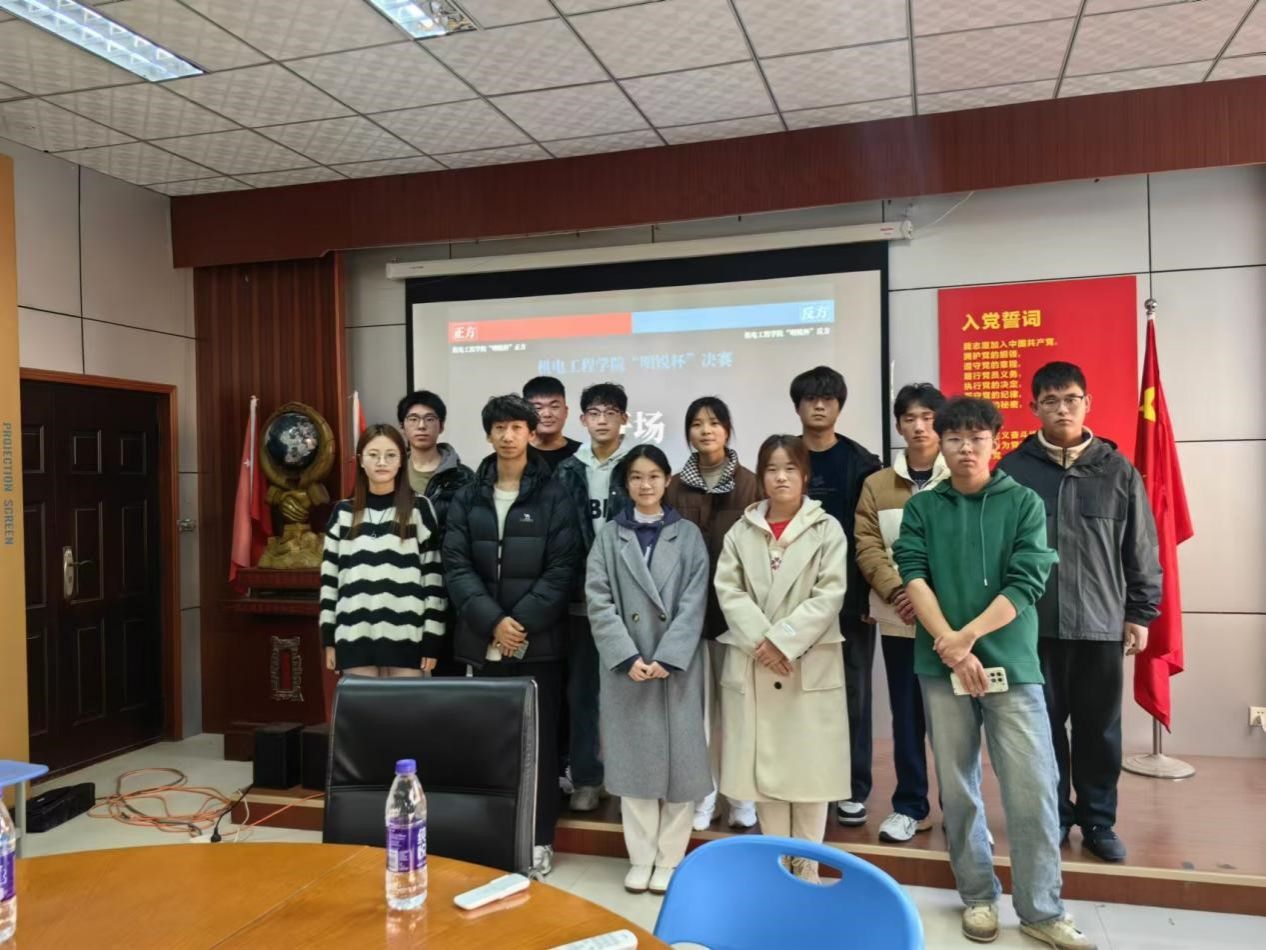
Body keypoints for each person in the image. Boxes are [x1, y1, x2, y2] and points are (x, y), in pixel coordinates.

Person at [894, 396, 1094, 949]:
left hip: (1013, 666)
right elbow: (913, 574)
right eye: (954, 438)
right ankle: (978, 897)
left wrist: (967, 638)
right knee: (958, 789)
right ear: (941, 444)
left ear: (995, 443)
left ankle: (1041, 909)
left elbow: (1027, 580)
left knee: (1033, 788)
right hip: (942, 668)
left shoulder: (1023, 501)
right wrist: (953, 648)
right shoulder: (924, 507)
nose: (965, 448)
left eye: (976, 438)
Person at [998, 362, 1161, 863]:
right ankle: (1053, 817)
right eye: (1050, 401)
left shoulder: (1117, 470)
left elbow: (1140, 547)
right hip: (1033, 626)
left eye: (1071, 399)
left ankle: (1098, 821)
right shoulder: (1013, 470)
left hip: (1100, 624)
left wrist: (1140, 613)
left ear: (1087, 403)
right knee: (1041, 730)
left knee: (1099, 731)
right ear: (1034, 408)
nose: (1062, 409)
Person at [442, 395, 581, 878]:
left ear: (530, 432)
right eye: (499, 427)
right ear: (488, 434)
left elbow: (563, 568)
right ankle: (492, 837)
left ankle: (539, 840)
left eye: (517, 427)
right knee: (488, 744)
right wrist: (492, 622)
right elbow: (455, 565)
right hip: (482, 642)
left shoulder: (555, 494)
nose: (508, 436)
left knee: (538, 748)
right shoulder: (468, 495)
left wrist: (517, 623)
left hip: (538, 644)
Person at [714, 435, 850, 883]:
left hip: (807, 663)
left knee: (811, 772)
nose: (781, 477)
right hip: (756, 660)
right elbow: (728, 591)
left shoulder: (826, 529)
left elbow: (830, 594)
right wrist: (764, 642)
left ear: (805, 474)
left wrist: (783, 641)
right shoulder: (742, 531)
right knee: (766, 773)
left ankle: (807, 868)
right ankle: (778, 870)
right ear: (761, 476)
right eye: (771, 469)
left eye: (790, 468)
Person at [586, 444, 712, 896]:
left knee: (681, 767)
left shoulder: (688, 535)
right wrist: (626, 655)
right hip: (628, 667)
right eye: (637, 477)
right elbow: (598, 599)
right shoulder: (608, 536)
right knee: (634, 766)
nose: (645, 485)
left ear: (667, 480)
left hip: (675, 667)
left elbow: (695, 600)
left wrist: (668, 656)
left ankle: (670, 858)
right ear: (626, 483)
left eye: (654, 476)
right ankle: (640, 857)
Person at [854, 383, 950, 844]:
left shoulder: (961, 476)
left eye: (928, 418)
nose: (919, 427)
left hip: (953, 624)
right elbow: (868, 545)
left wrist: (934, 598)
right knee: (906, 716)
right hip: (900, 620)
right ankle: (911, 806)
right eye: (910, 418)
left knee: (955, 720)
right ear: (898, 426)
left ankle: (961, 809)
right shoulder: (877, 484)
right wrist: (899, 592)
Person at [789, 366, 881, 827]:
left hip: (848, 602)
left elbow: (871, 537)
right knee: (797, 695)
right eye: (810, 398)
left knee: (853, 694)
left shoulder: (863, 463)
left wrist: (867, 599)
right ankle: (807, 779)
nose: (819, 405)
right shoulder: (784, 458)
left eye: (828, 398)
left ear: (840, 406)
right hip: (791, 601)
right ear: (798, 406)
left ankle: (852, 786)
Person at [663, 396, 760, 832]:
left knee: (740, 714)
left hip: (737, 618)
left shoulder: (750, 484)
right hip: (690, 618)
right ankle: (704, 796)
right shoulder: (673, 488)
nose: (706, 430)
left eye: (715, 422)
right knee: (698, 717)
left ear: (727, 429)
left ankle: (741, 798)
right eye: (697, 423)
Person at [556, 382, 634, 811]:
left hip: (630, 602)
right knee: (583, 693)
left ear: (625, 418)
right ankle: (587, 778)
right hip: (580, 600)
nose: (602, 420)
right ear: (583, 419)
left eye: (611, 412)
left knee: (628, 693)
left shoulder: (639, 465)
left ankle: (627, 778)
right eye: (594, 413)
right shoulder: (568, 470)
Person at [320, 424, 446, 677]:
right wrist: (329, 639)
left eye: (390, 455)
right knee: (362, 705)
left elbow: (433, 580)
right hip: (353, 635)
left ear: (402, 460)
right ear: (360, 460)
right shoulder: (342, 513)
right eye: (373, 454)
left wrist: (432, 639)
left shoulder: (419, 508)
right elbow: (329, 582)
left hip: (408, 637)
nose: (381, 462)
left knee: (404, 705)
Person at [397, 389, 474, 676]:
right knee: (400, 678)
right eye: (413, 419)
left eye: (429, 419)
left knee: (448, 680)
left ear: (441, 426)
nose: (421, 426)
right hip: (399, 587)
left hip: (448, 589)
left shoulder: (464, 478)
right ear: (402, 426)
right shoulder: (389, 474)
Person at [524, 375, 581, 471]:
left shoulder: (582, 453)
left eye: (554, 407)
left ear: (566, 411)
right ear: (525, 412)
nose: (547, 414)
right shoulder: (515, 453)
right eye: (538, 408)